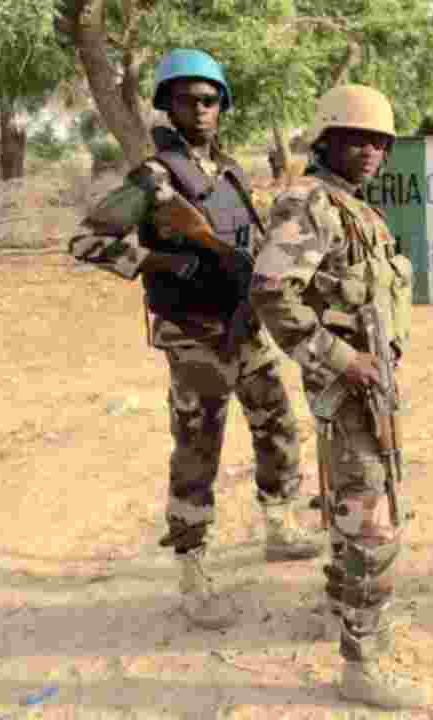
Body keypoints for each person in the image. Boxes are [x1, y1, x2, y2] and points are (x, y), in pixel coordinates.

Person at [68, 48, 321, 630]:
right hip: (193, 335)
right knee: (198, 449)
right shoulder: (154, 179)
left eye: (210, 99)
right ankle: (192, 567)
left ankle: (279, 523)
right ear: (168, 106)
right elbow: (86, 243)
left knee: (277, 426)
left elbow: (249, 242)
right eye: (187, 100)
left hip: (243, 323)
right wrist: (164, 262)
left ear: (222, 105)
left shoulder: (229, 172)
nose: (201, 109)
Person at [249, 84, 428, 709]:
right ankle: (363, 662)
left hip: (369, 386)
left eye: (379, 142)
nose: (372, 151)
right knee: (372, 526)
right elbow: (272, 292)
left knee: (355, 508)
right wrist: (342, 359)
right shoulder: (311, 204)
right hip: (347, 386)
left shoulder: (355, 209)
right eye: (357, 140)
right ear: (326, 142)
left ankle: (339, 606)